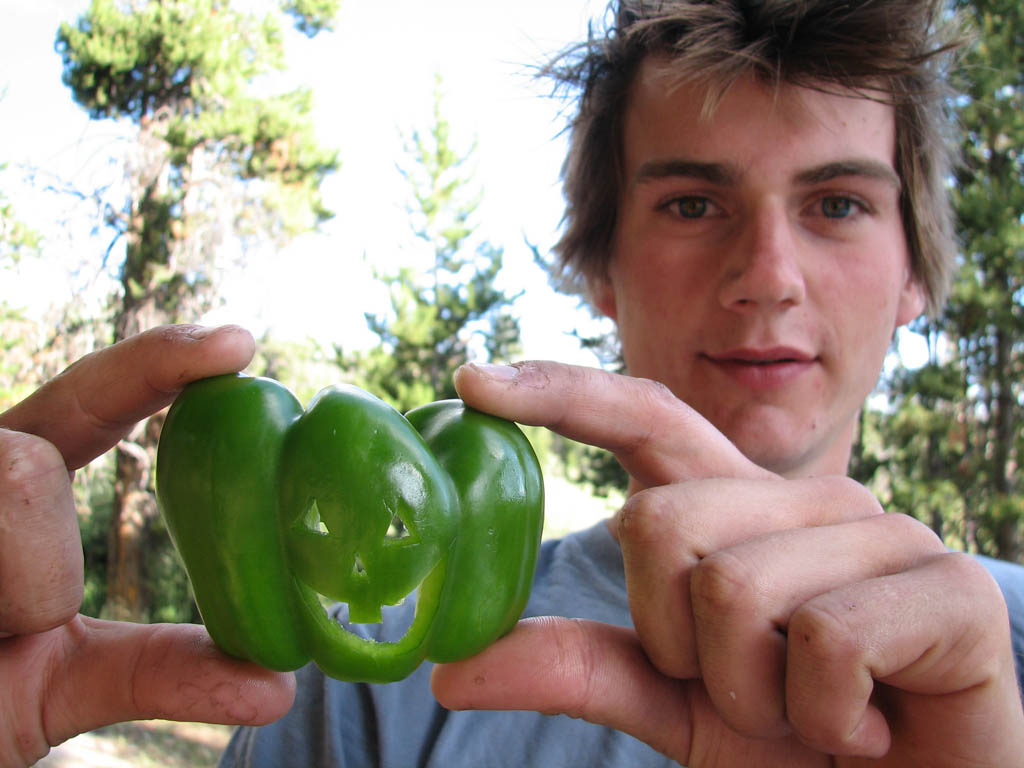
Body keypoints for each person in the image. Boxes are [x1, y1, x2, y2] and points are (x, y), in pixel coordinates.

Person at [2, 1, 1023, 766]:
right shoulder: (385, 659)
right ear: (595, 265)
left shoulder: (997, 657)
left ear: (917, 275)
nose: (767, 276)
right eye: (690, 205)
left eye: (837, 203)